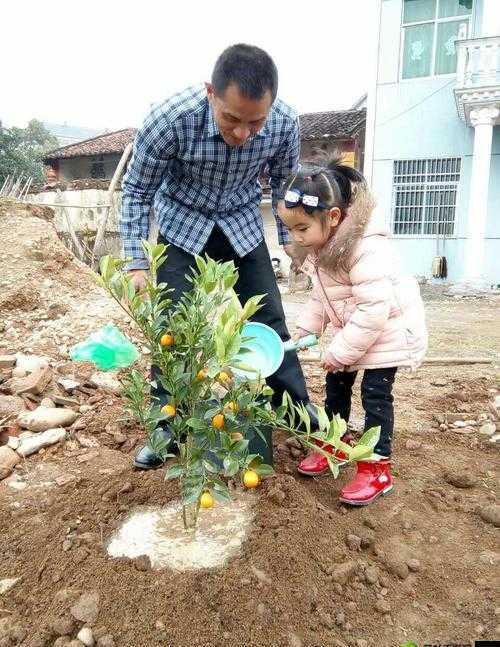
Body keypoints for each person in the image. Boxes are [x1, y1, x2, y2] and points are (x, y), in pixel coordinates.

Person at [120, 44, 318, 469]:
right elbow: (136, 191)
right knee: (173, 328)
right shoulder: (170, 119)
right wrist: (137, 261)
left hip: (241, 222)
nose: (243, 133)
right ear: (211, 92)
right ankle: (167, 430)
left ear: (271, 108)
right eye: (232, 119)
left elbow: (285, 183)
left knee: (268, 320)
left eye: (255, 122)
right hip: (182, 225)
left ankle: (298, 414)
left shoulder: (284, 123)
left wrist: (291, 238)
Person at [276, 156, 428, 505]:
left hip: (387, 333)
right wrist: (304, 330)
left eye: (301, 229)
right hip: (356, 333)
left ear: (332, 217)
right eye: (290, 229)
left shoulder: (366, 249)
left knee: (375, 397)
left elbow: (373, 310)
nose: (295, 237)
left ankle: (376, 469)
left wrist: (341, 350)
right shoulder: (322, 246)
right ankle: (336, 446)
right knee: (336, 390)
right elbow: (321, 296)